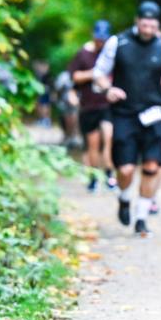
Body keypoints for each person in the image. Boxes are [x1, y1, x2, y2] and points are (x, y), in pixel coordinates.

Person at [93, 1, 161, 237]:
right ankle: (124, 199)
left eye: (152, 25)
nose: (147, 29)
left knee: (152, 167)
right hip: (125, 113)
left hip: (155, 114)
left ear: (158, 25)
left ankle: (141, 218)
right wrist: (108, 89)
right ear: (137, 22)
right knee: (125, 169)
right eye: (144, 24)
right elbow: (99, 73)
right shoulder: (118, 43)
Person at [69, 20, 117, 192]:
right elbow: (74, 77)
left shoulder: (113, 53)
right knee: (93, 144)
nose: (101, 43)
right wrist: (95, 74)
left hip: (107, 105)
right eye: (99, 39)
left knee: (109, 137)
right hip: (89, 106)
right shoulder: (83, 54)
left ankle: (110, 175)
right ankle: (94, 177)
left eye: (104, 40)